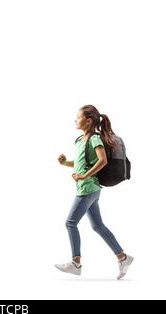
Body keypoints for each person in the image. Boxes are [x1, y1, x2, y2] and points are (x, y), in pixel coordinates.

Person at [55, 105, 133, 280]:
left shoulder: (94, 138)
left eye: (78, 117)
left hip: (88, 188)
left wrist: (84, 176)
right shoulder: (80, 140)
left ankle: (76, 263)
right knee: (98, 226)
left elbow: (103, 160)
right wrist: (65, 162)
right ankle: (123, 257)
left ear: (88, 121)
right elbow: (80, 162)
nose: (75, 120)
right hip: (90, 189)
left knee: (70, 223)